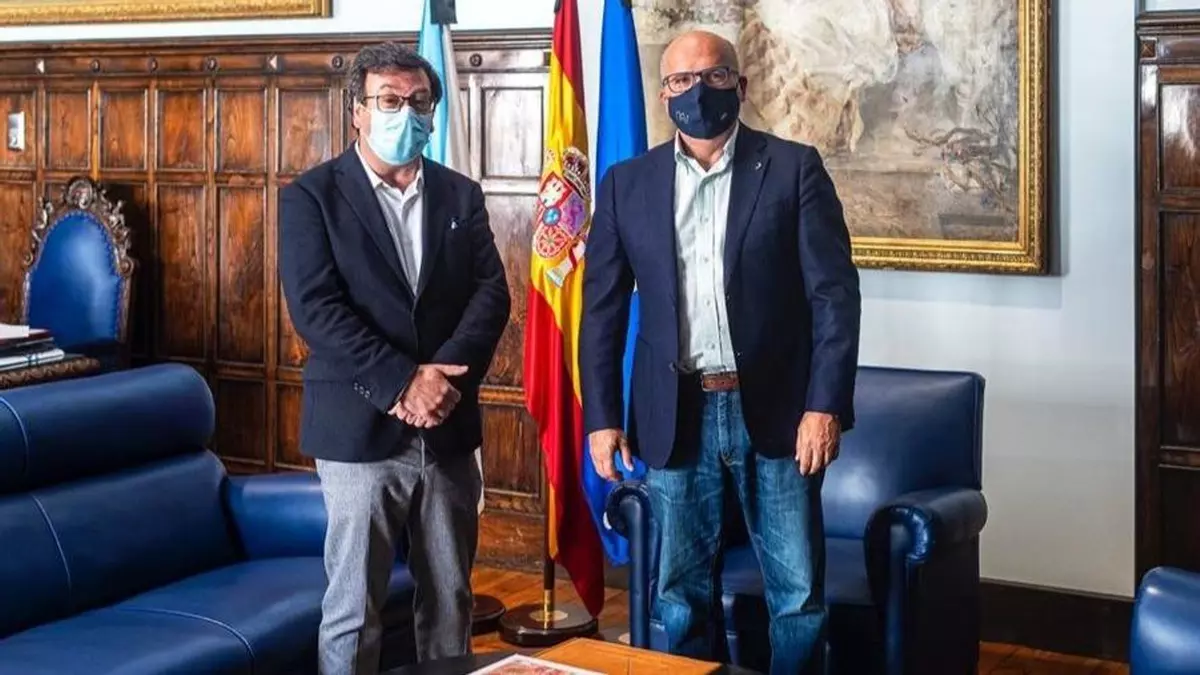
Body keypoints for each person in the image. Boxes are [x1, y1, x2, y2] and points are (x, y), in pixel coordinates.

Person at [580, 30, 861, 675]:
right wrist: (603, 417)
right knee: (680, 597)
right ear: (663, 94)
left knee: (798, 598)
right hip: (675, 413)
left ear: (741, 85)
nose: (696, 91)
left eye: (713, 76)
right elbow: (602, 312)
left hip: (779, 413)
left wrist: (824, 406)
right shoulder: (626, 184)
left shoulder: (793, 168)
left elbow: (834, 299)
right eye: (681, 80)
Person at [277, 42, 510, 675]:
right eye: (389, 100)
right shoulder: (311, 197)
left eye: (418, 101)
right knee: (354, 609)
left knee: (451, 600)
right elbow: (316, 309)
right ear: (357, 110)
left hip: (448, 424)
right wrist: (404, 383)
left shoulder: (460, 194)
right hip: (360, 429)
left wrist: (442, 381)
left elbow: (491, 294)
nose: (405, 113)